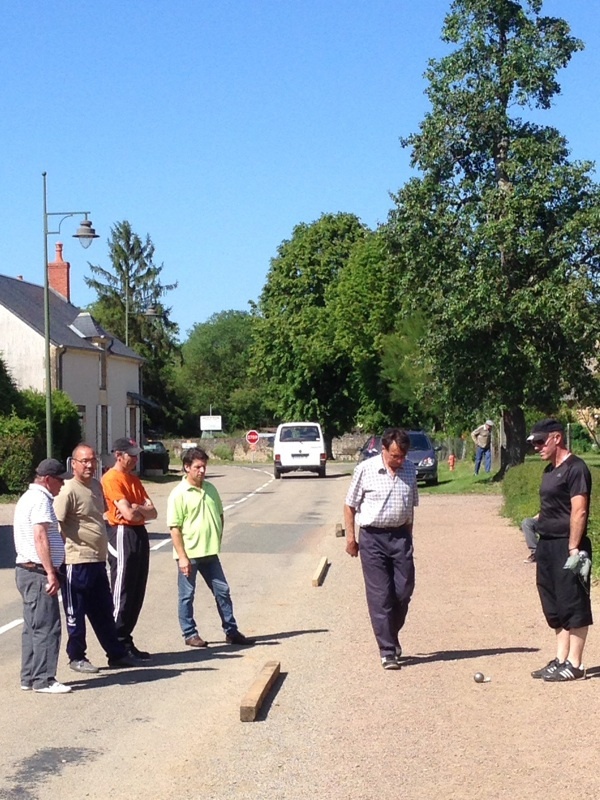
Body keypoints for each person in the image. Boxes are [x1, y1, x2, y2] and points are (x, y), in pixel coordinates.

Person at [54, 444, 140, 672]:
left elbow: (98, 516)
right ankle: (77, 657)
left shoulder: (95, 486)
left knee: (103, 611)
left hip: (97, 560)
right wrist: (59, 558)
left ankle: (116, 654)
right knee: (76, 613)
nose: (90, 465)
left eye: (93, 460)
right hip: (76, 561)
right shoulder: (67, 490)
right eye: (85, 461)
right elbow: (57, 524)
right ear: (73, 464)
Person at [344, 428, 419, 670]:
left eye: (403, 456)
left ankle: (391, 634)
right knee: (380, 596)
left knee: (403, 590)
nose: (400, 461)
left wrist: (409, 538)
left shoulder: (409, 469)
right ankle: (387, 651)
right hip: (372, 538)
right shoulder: (365, 470)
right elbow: (349, 506)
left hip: (400, 537)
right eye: (395, 456)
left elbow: (410, 508)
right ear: (383, 450)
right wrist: (350, 539)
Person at [166, 447, 253, 648]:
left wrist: (218, 536)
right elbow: (175, 528)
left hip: (210, 553)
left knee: (223, 591)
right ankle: (190, 633)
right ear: (186, 467)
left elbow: (220, 515)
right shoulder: (178, 494)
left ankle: (231, 631)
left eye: (204, 466)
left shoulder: (210, 489)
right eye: (197, 467)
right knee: (187, 596)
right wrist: (182, 557)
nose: (202, 471)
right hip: (190, 554)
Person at [528, 419, 593, 682]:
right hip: (548, 543)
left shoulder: (576, 468)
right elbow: (553, 506)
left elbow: (579, 509)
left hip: (569, 545)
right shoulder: (549, 470)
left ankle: (575, 664)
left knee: (573, 602)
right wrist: (536, 521)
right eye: (534, 443)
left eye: (541, 442)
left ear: (556, 438)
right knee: (553, 604)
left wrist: (574, 548)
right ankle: (561, 658)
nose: (537, 447)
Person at [13, 458, 71, 694]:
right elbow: (40, 537)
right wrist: (50, 572)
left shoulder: (30, 497)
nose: (62, 485)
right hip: (37, 571)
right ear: (47, 480)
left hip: (28, 570)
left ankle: (29, 676)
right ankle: (44, 679)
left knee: (33, 626)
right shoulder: (40, 500)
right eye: (60, 480)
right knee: (47, 626)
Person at [102, 437, 157, 660]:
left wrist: (139, 508)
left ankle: (125, 637)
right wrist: (139, 509)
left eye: (136, 455)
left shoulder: (133, 480)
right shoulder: (112, 479)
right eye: (131, 455)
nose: (135, 459)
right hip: (123, 532)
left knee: (137, 589)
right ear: (119, 455)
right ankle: (115, 642)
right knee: (123, 588)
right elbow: (128, 513)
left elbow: (153, 512)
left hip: (139, 533)